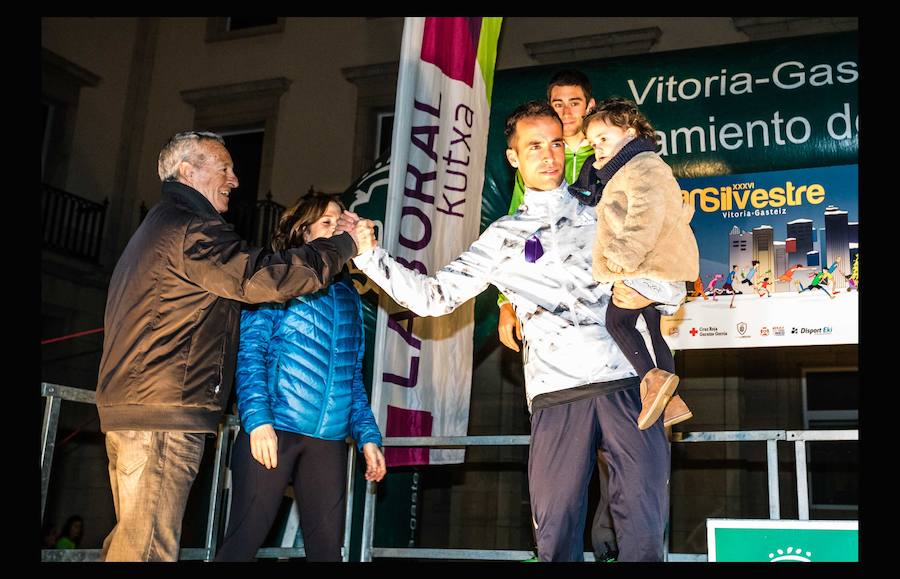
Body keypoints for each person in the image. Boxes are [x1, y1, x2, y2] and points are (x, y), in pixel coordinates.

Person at [346, 101, 685, 561]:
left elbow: (672, 287)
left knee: (643, 531)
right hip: (556, 393)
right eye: (534, 147)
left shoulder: (607, 210)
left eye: (556, 144)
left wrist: (644, 291)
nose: (548, 156)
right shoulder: (502, 237)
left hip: (631, 384)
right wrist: (370, 258)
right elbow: (433, 297)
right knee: (556, 533)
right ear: (514, 158)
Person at [95, 131, 374, 562]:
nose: (235, 179)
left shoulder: (168, 225)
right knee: (149, 548)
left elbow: (350, 373)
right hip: (162, 411)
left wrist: (367, 432)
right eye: (223, 167)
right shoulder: (189, 227)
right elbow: (256, 287)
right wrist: (343, 246)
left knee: (136, 543)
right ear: (188, 171)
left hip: (152, 406)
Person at [214, 193, 386, 562]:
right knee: (242, 545)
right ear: (302, 232)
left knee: (327, 554)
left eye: (339, 223)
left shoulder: (349, 298)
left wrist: (368, 436)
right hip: (275, 431)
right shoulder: (278, 279)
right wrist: (258, 421)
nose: (337, 229)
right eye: (326, 222)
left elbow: (352, 377)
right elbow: (251, 355)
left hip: (329, 440)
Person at [497, 69, 616, 562]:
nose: (565, 113)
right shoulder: (533, 170)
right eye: (557, 103)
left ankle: (612, 542)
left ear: (588, 108)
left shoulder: (606, 152)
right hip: (559, 357)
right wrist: (506, 304)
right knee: (562, 472)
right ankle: (555, 544)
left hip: (612, 328)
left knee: (625, 462)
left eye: (573, 104)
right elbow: (511, 246)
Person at [570, 97, 698, 430]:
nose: (597, 147)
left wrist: (620, 260)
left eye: (604, 138)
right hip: (652, 264)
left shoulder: (643, 166)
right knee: (653, 329)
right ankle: (672, 403)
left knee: (617, 321)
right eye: (593, 141)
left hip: (647, 264)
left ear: (629, 131)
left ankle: (653, 381)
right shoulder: (627, 168)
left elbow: (645, 215)